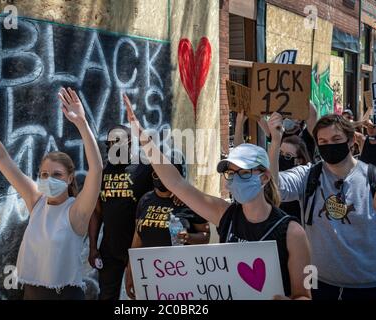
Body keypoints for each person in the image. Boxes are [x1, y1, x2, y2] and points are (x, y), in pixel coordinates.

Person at [123, 94, 311, 300]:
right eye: (231, 173)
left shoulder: (293, 233)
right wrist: (143, 138)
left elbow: (304, 295)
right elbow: (176, 183)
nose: (235, 179)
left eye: (244, 172)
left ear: (265, 177)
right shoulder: (225, 214)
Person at [0, 87, 103, 300]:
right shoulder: (36, 200)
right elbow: (2, 158)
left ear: (70, 178)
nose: (49, 179)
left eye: (57, 174)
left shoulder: (76, 210)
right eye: (44, 174)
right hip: (31, 293)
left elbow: (96, 170)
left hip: (65, 296)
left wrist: (81, 123)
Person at [268, 112, 376, 300]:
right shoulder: (309, 175)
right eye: (322, 142)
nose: (329, 145)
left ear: (350, 141)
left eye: (336, 139)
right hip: (316, 282)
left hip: (368, 287)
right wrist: (275, 142)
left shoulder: (375, 179)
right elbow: (275, 188)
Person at [88, 125, 154, 300]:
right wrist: (93, 246)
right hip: (110, 249)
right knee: (107, 296)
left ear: (130, 143)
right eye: (109, 144)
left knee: (143, 296)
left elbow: (163, 194)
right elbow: (96, 212)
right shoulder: (102, 172)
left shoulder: (144, 169)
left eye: (117, 143)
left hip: (140, 248)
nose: (112, 147)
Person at [125, 164, 210, 299]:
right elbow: (137, 238)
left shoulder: (189, 200)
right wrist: (130, 271)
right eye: (156, 173)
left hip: (180, 276)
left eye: (166, 173)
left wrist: (188, 237)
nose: (160, 176)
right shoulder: (145, 200)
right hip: (149, 276)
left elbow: (206, 237)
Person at [278, 135, 311, 222]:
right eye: (280, 153)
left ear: (299, 161)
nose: (282, 158)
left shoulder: (302, 180)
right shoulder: (275, 173)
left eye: (288, 156)